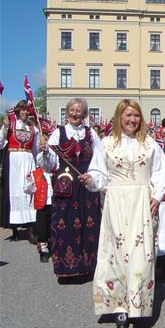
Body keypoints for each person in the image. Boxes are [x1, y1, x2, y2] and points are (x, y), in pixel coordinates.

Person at [80, 99, 165, 328]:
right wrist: (91, 180)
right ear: (119, 117)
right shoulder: (107, 143)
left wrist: (157, 195)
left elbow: (161, 174)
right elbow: (99, 172)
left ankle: (138, 305)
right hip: (117, 202)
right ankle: (119, 306)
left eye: (136, 116)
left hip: (142, 201)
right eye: (128, 115)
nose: (132, 120)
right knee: (116, 253)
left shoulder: (150, 144)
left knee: (141, 256)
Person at [44, 98, 101, 282]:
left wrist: (92, 175)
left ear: (84, 114)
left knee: (89, 223)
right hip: (65, 186)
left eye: (79, 111)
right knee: (65, 223)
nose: (75, 114)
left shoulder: (91, 133)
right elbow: (51, 163)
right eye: (72, 110)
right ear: (67, 112)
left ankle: (89, 266)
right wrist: (44, 153)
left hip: (86, 185)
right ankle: (68, 268)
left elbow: (98, 159)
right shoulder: (57, 133)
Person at [0, 100, 39, 241]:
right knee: (14, 191)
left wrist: (37, 164)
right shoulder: (10, 125)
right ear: (17, 111)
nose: (25, 112)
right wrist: (4, 128)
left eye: (27, 110)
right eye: (23, 110)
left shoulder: (33, 128)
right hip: (14, 161)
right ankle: (14, 228)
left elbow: (36, 150)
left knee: (29, 191)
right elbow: (0, 143)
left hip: (28, 159)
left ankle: (31, 228)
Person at [23, 132, 53, 262]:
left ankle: (54, 246)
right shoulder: (36, 173)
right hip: (42, 204)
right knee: (42, 228)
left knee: (54, 226)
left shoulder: (55, 172)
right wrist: (29, 182)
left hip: (55, 202)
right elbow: (28, 190)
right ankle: (43, 249)